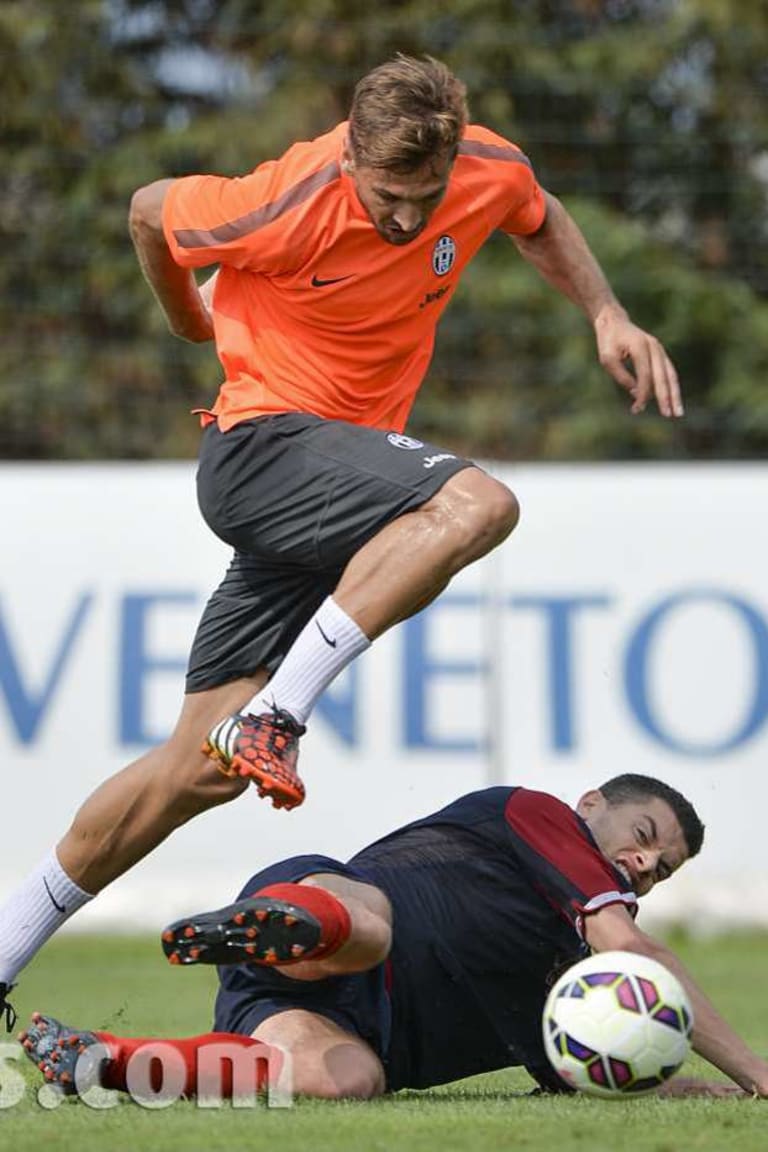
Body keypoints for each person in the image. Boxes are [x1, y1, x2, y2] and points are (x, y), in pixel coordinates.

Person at [0, 54, 684, 1025]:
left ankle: (2, 944)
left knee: (193, 769)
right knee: (477, 504)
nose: (407, 219)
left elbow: (538, 215)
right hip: (262, 450)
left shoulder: (485, 166)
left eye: (425, 197)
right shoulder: (285, 199)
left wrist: (607, 312)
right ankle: (278, 717)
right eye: (388, 196)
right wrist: (190, 318)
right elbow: (151, 209)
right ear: (351, 152)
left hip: (329, 497)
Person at [18, 775, 768, 1099]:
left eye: (658, 870)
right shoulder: (541, 817)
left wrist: (683, 1083)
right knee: (368, 932)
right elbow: (639, 956)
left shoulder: (573, 979)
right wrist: (756, 1074)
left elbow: (583, 1062)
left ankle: (107, 1062)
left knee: (343, 1082)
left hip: (343, 1022)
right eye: (642, 837)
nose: (641, 865)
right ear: (592, 803)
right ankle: (279, 927)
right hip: (335, 903)